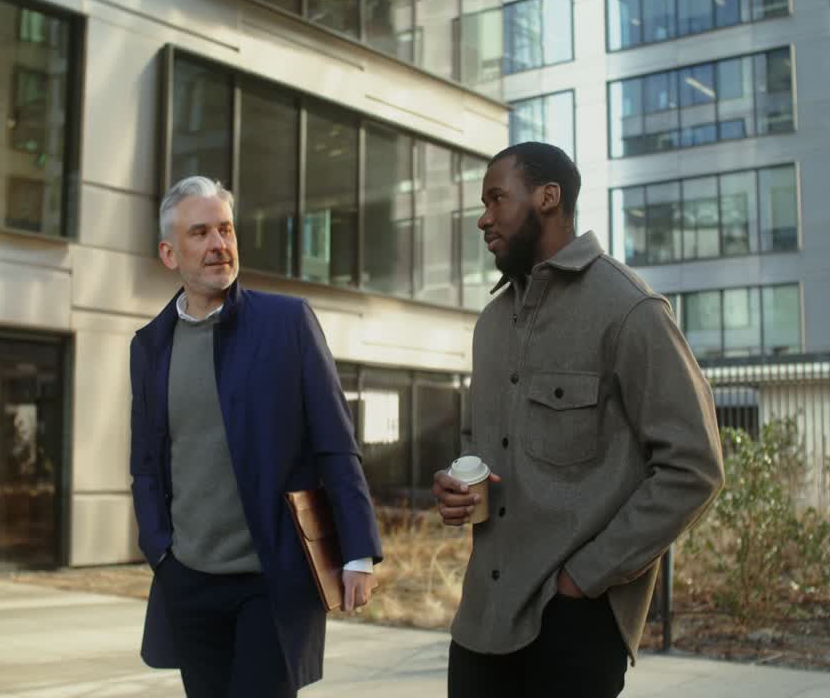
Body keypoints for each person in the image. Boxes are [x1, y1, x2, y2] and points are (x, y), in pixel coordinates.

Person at [432, 143, 724, 698]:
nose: (483, 217)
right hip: (481, 621)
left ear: (548, 197)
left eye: (497, 198)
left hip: (571, 624)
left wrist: (585, 578)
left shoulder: (630, 310)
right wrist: (459, 489)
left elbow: (695, 467)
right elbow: (484, 452)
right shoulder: (491, 324)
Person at [130, 176, 383, 697]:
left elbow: (334, 442)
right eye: (200, 232)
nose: (219, 245)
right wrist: (161, 551)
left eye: (225, 229)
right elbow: (147, 464)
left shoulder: (287, 322)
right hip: (189, 580)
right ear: (169, 253)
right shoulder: (150, 344)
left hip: (271, 580)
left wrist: (358, 551)